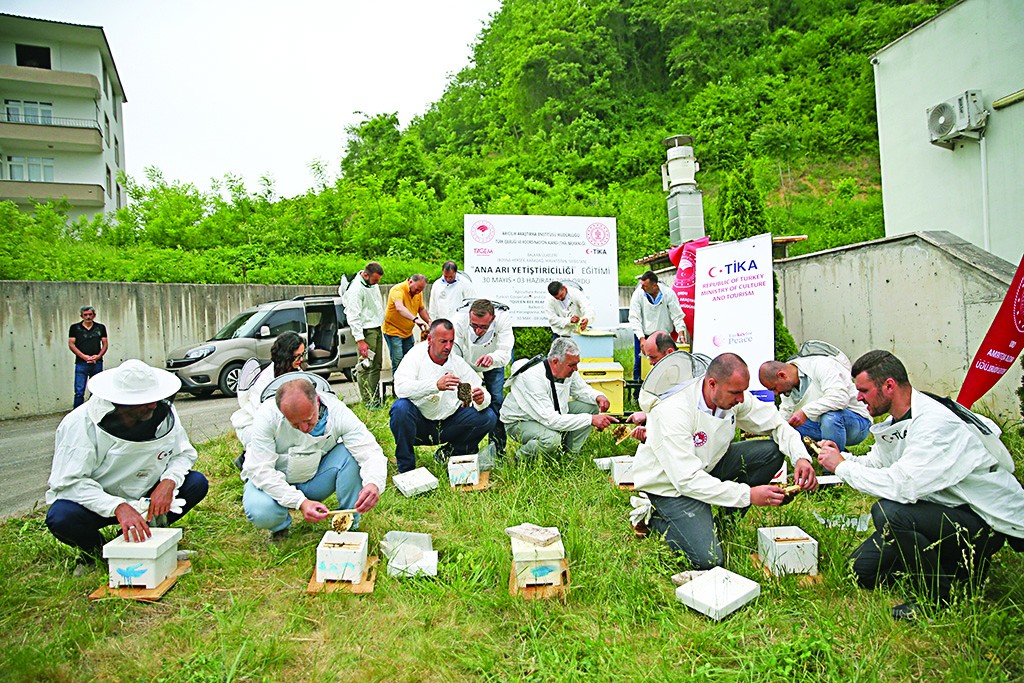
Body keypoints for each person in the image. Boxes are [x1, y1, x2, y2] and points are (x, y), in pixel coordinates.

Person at [817, 350, 1024, 619]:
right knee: (861, 571)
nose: (858, 398)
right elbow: (879, 462)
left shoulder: (934, 423)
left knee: (888, 513)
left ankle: (938, 598)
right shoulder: (900, 418)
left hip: (981, 522)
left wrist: (842, 468)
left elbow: (903, 486)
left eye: (863, 390)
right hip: (943, 509)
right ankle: (952, 568)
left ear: (889, 386)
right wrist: (843, 458)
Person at [631, 352, 817, 570]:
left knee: (771, 452)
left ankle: (724, 523)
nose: (741, 399)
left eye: (743, 392)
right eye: (736, 392)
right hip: (670, 486)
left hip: (709, 465)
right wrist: (749, 495)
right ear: (712, 384)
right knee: (708, 560)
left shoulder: (731, 394)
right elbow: (687, 480)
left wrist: (801, 457)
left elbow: (776, 423)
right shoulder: (673, 411)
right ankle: (655, 517)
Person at [45, 359, 209, 572]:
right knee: (61, 516)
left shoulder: (161, 411)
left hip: (145, 497)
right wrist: (118, 506)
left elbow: (183, 453)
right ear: (119, 402)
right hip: (95, 503)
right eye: (144, 401)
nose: (153, 405)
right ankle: (95, 553)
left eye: (155, 399)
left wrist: (168, 482)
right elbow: (69, 483)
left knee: (195, 483)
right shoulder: (80, 425)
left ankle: (148, 544)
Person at [242, 377, 387, 542]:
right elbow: (261, 471)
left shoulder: (337, 411)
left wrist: (374, 482)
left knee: (352, 454)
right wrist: (300, 502)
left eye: (308, 420)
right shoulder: (266, 416)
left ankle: (348, 522)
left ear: (317, 401)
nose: (304, 429)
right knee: (261, 511)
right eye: (295, 425)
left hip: (314, 480)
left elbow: (369, 449)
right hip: (273, 486)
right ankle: (280, 528)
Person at [390, 319, 496, 472]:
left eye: (451, 341)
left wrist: (481, 398)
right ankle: (406, 469)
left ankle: (452, 454)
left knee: (488, 417)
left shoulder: (457, 362)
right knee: (400, 408)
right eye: (443, 341)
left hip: (448, 424)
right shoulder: (415, 356)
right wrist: (435, 385)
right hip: (418, 425)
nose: (448, 346)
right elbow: (400, 388)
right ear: (429, 340)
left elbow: (480, 389)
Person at [501, 337, 616, 459]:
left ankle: (569, 457)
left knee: (590, 407)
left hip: (550, 414)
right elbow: (551, 420)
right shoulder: (533, 377)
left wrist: (598, 396)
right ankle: (520, 459)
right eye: (572, 365)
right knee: (551, 439)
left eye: (577, 364)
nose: (576, 369)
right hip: (521, 420)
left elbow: (581, 389)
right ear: (555, 362)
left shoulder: (567, 368)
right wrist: (590, 420)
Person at [759, 354, 872, 452]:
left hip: (857, 422)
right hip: (821, 424)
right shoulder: (788, 384)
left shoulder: (822, 365)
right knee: (784, 429)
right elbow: (785, 414)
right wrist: (773, 428)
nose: (775, 393)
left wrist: (805, 412)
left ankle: (832, 470)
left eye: (774, 388)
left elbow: (840, 398)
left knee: (830, 418)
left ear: (782, 375)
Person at [454, 299, 514, 455]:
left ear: (493, 319)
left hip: (493, 362)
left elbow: (506, 351)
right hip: (465, 363)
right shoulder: (458, 320)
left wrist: (492, 358)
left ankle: (497, 449)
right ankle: (465, 447)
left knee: (496, 402)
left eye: (484, 327)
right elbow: (454, 355)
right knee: (465, 402)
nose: (478, 331)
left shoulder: (503, 318)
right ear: (469, 316)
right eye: (474, 325)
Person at [230, 331, 306, 451]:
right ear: (286, 355)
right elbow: (260, 412)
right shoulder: (265, 380)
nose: (301, 359)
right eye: (297, 356)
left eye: (302, 355)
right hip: (255, 423)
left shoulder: (297, 372)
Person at [628, 271, 686, 383]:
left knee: (664, 364)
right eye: (641, 285)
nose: (642, 288)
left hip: (662, 337)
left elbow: (677, 315)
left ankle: (663, 388)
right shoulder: (638, 294)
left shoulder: (668, 294)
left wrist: (681, 334)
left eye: (645, 286)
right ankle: (638, 394)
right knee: (640, 364)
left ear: (654, 285)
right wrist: (641, 338)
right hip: (644, 334)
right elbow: (634, 317)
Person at [343, 262, 385, 407]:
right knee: (366, 366)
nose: (376, 283)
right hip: (366, 332)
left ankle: (375, 400)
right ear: (366, 275)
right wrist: (360, 340)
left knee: (376, 365)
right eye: (375, 280)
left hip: (377, 327)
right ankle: (368, 402)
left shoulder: (372, 284)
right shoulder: (356, 289)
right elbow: (353, 316)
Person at [624, 331, 677, 442]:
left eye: (653, 357)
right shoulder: (664, 371)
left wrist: (648, 418)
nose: (651, 363)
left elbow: (677, 414)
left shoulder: (684, 376)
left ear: (669, 352)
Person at [383, 274, 430, 371]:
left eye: (421, 290)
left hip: (407, 333)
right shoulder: (397, 290)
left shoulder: (418, 293)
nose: (418, 292)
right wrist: (415, 319)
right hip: (393, 332)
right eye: (417, 289)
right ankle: (397, 385)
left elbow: (421, 309)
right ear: (410, 282)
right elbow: (399, 307)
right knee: (398, 362)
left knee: (410, 361)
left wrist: (429, 321)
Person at [69, 305, 108, 407]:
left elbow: (105, 344)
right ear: (81, 316)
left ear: (94, 315)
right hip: (81, 363)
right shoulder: (75, 328)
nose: (88, 317)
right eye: (85, 315)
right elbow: (71, 344)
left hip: (97, 363)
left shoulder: (100, 327)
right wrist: (84, 357)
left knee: (96, 390)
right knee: (79, 391)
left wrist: (98, 356)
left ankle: (94, 411)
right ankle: (77, 414)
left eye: (90, 314)